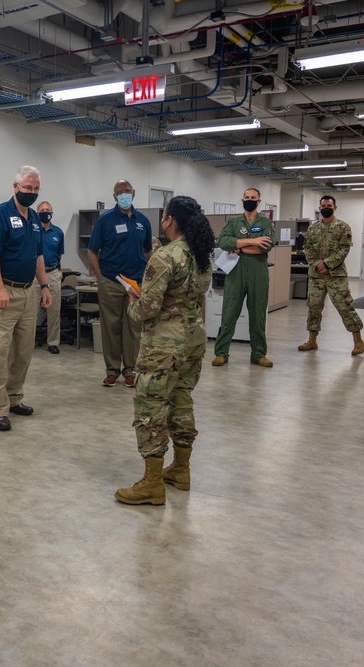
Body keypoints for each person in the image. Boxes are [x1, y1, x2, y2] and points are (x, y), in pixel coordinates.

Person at [115, 196, 214, 506]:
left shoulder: (165, 256)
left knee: (151, 409)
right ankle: (181, 471)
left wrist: (132, 300)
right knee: (182, 401)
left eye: (164, 216)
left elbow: (148, 308)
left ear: (170, 220)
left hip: (163, 346)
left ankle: (152, 483)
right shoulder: (202, 255)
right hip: (194, 339)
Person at [0, 165, 52, 431]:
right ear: (15, 187)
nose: (31, 193)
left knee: (23, 352)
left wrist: (44, 286)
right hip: (3, 291)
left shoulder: (34, 218)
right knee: (0, 352)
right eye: (27, 188)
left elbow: (38, 256)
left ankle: (14, 398)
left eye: (35, 189)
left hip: (27, 291)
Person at [87, 179, 153, 387]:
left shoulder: (143, 221)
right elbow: (91, 251)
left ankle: (130, 371)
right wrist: (100, 278)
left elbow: (148, 250)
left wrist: (151, 276)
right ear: (114, 197)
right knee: (111, 327)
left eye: (127, 191)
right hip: (111, 281)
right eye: (119, 192)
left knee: (134, 329)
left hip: (136, 283)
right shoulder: (105, 221)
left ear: (134, 193)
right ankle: (112, 370)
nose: (124, 195)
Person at [211, 187, 275, 368]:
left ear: (259, 201)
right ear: (242, 200)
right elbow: (223, 242)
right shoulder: (233, 222)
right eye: (246, 197)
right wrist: (253, 241)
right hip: (235, 272)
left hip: (258, 272)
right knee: (229, 313)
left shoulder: (266, 223)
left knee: (258, 315)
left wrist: (238, 247)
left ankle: (258, 354)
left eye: (253, 197)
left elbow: (267, 245)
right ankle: (221, 353)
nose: (249, 199)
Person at [297, 195, 364, 355]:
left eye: (329, 205)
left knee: (344, 307)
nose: (325, 207)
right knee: (314, 307)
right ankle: (312, 340)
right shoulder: (313, 228)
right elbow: (308, 249)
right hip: (316, 276)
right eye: (323, 205)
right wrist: (317, 265)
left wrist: (327, 264)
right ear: (319, 208)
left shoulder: (343, 227)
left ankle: (358, 340)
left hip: (336, 275)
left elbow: (344, 249)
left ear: (334, 207)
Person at [38, 200, 65, 354]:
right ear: (37, 213)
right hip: (34, 275)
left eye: (48, 209)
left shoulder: (58, 232)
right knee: (30, 310)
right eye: (42, 210)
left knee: (54, 310)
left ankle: (53, 342)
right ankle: (27, 342)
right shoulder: (33, 230)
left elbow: (59, 254)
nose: (45, 212)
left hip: (53, 273)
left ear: (52, 213)